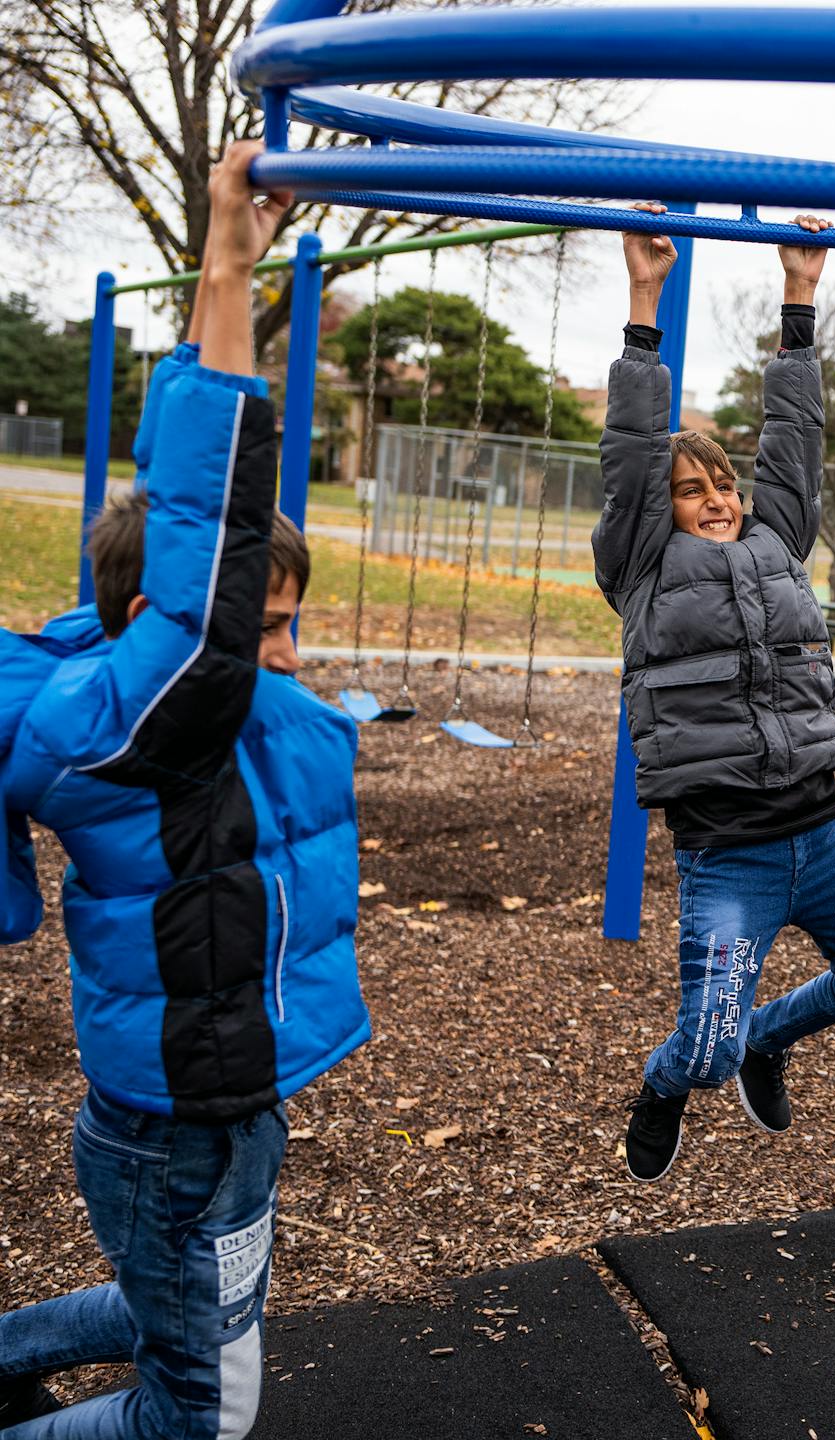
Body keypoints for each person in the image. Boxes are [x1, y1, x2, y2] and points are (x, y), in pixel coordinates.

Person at [0, 140, 370, 1438]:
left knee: (204, 1310)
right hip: (176, 1127)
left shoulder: (168, 698)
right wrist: (221, 248)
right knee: (200, 1414)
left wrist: (231, 276)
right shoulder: (124, 728)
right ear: (169, 623)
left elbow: (175, 483)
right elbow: (203, 505)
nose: (281, 656)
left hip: (227, 1103)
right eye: (256, 626)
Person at [597, 206, 835, 1183]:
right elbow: (633, 454)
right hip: (726, 855)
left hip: (816, 836)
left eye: (722, 482)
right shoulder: (642, 564)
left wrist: (800, 297)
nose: (719, 497)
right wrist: (645, 301)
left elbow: (795, 442)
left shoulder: (778, 539)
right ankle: (665, 1082)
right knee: (704, 1051)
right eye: (694, 490)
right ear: (666, 509)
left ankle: (773, 1037)